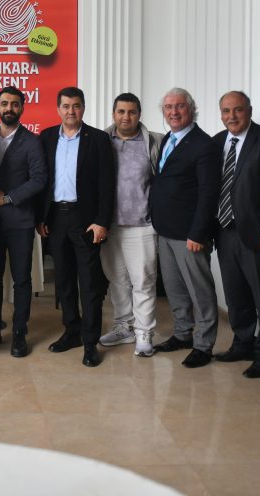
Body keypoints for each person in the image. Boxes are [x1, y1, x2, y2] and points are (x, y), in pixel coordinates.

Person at [211, 91, 260, 378]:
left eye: (238, 110)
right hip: (225, 231)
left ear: (250, 111)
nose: (231, 116)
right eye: (226, 111)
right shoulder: (217, 142)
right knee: (235, 294)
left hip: (258, 234)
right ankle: (243, 343)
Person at [38, 86, 115, 367]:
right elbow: (42, 180)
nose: (71, 111)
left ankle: (90, 341)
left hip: (86, 221)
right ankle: (72, 331)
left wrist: (102, 221)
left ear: (83, 107)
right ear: (58, 109)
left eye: (76, 105)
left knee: (89, 283)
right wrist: (41, 218)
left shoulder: (98, 139)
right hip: (56, 219)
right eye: (66, 106)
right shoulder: (47, 137)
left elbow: (107, 184)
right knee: (64, 281)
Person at [149, 87, 220, 368]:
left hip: (190, 234)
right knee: (175, 288)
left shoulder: (204, 145)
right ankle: (182, 334)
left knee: (199, 291)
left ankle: (204, 345)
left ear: (191, 109)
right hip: (165, 230)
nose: (174, 112)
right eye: (168, 107)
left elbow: (208, 193)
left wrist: (198, 232)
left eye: (179, 106)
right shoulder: (169, 138)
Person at [0, 86, 47, 357]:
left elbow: (39, 180)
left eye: (14, 104)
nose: (9, 108)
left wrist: (8, 198)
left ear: (22, 107)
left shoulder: (32, 142)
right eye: (4, 103)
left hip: (20, 221)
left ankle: (19, 332)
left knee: (21, 279)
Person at [99, 93, 162, 357]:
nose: (126, 117)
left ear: (139, 114)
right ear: (113, 114)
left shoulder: (154, 142)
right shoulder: (102, 141)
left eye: (132, 112)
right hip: (109, 226)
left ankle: (144, 333)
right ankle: (124, 326)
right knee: (117, 280)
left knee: (143, 281)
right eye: (121, 112)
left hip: (142, 226)